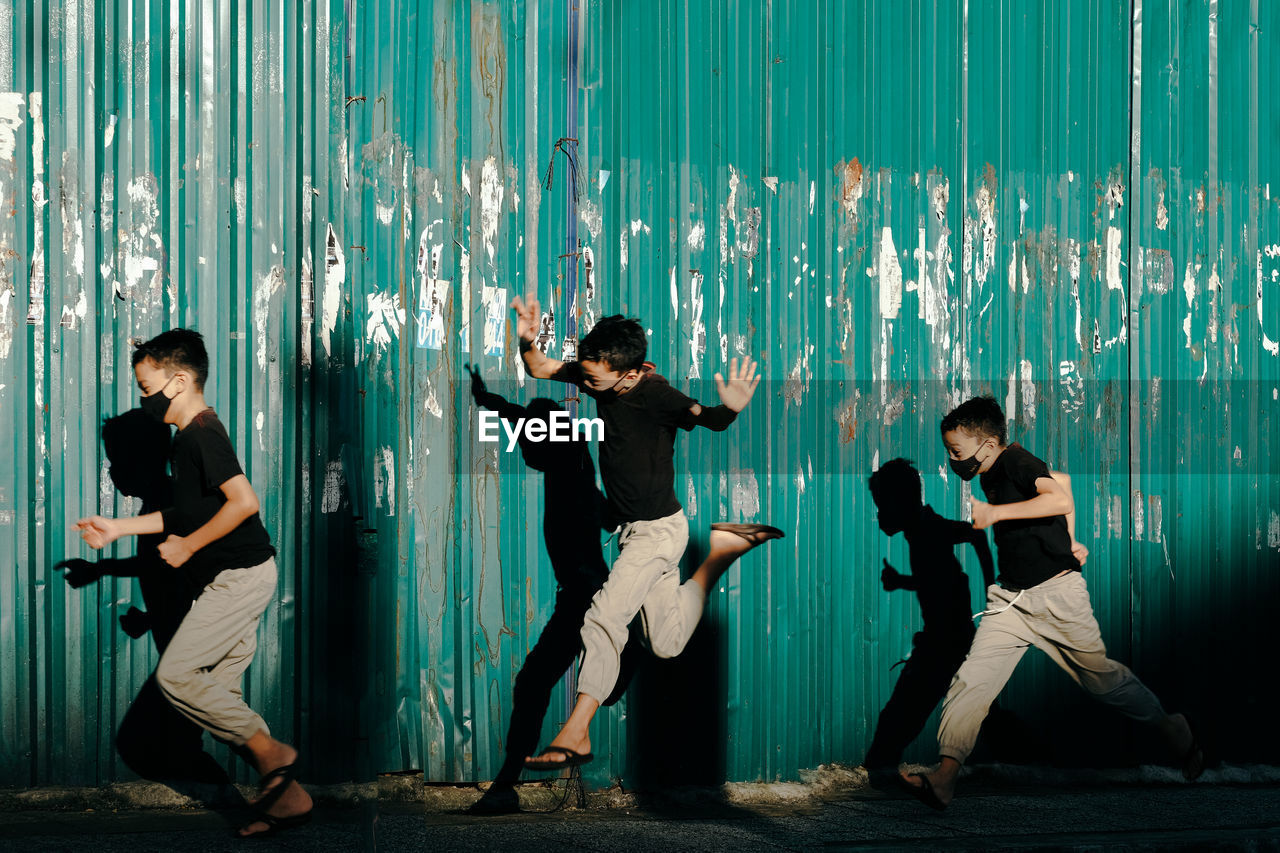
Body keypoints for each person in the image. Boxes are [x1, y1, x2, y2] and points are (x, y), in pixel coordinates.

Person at [510, 296, 783, 771]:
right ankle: (720, 553)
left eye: (596, 378)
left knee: (601, 619)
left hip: (659, 533)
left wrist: (732, 408)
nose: (588, 384)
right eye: (586, 373)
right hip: (635, 533)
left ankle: (575, 734)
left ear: (632, 372)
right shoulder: (598, 373)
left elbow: (712, 420)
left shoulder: (658, 395)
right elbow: (538, 368)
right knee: (666, 642)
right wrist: (527, 339)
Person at [901, 396, 1203, 810]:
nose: (953, 459)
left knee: (1102, 680)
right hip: (1010, 600)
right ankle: (945, 777)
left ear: (987, 446)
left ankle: (1173, 729)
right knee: (974, 680)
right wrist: (1070, 538)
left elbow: (1057, 497)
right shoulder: (991, 470)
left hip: (1056, 597)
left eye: (956, 451)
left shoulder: (1015, 462)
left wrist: (997, 516)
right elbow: (1061, 478)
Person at [73, 329, 312, 837]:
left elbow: (244, 503)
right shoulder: (185, 443)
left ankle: (276, 756)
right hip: (231, 580)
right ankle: (284, 800)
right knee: (219, 698)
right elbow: (180, 513)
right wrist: (117, 529)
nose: (143, 398)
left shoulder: (203, 432)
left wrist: (189, 546)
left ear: (178, 382)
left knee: (177, 678)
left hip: (240, 578)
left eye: (145, 387)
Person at [58, 408, 232, 791]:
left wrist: (103, 572)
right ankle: (237, 802)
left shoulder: (168, 500)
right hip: (178, 636)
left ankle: (264, 788)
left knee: (165, 733)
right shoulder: (158, 500)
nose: (111, 472)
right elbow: (160, 564)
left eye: (117, 461)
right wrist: (151, 616)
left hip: (190, 641)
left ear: (142, 461)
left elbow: (192, 566)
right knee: (182, 733)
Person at [861, 458, 993, 785]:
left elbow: (976, 534)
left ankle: (882, 773)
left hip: (944, 642)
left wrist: (993, 588)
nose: (879, 514)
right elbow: (938, 579)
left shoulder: (928, 528)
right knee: (906, 715)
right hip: (946, 640)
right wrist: (902, 581)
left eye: (882, 506)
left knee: (898, 719)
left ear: (902, 502)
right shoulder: (919, 531)